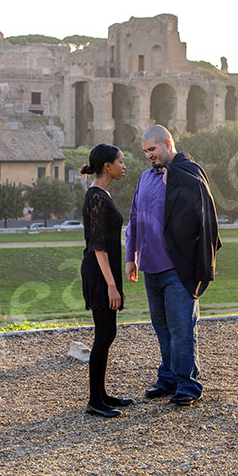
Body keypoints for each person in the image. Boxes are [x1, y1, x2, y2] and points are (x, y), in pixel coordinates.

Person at [125, 125, 222, 406]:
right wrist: (131, 257)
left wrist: (175, 181)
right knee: (162, 327)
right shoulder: (144, 178)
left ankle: (188, 384)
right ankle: (167, 379)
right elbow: (134, 218)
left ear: (167, 143)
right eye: (145, 151)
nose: (148, 156)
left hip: (178, 268)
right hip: (150, 267)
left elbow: (202, 208)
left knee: (182, 328)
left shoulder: (187, 174)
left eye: (152, 150)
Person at [79, 143, 131, 418]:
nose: (124, 166)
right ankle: (94, 401)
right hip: (100, 274)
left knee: (107, 333)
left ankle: (101, 394)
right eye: (121, 161)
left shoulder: (101, 194)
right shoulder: (97, 197)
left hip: (104, 272)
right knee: (104, 334)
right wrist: (111, 284)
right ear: (107, 166)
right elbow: (98, 246)